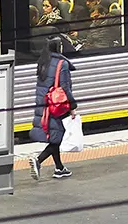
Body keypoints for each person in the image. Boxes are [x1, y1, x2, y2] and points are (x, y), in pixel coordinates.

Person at [29, 38, 77, 180]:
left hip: (44, 104)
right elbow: (65, 87)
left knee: (55, 136)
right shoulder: (62, 64)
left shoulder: (43, 62)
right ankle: (38, 160)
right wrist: (72, 106)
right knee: (58, 137)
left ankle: (59, 168)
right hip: (56, 105)